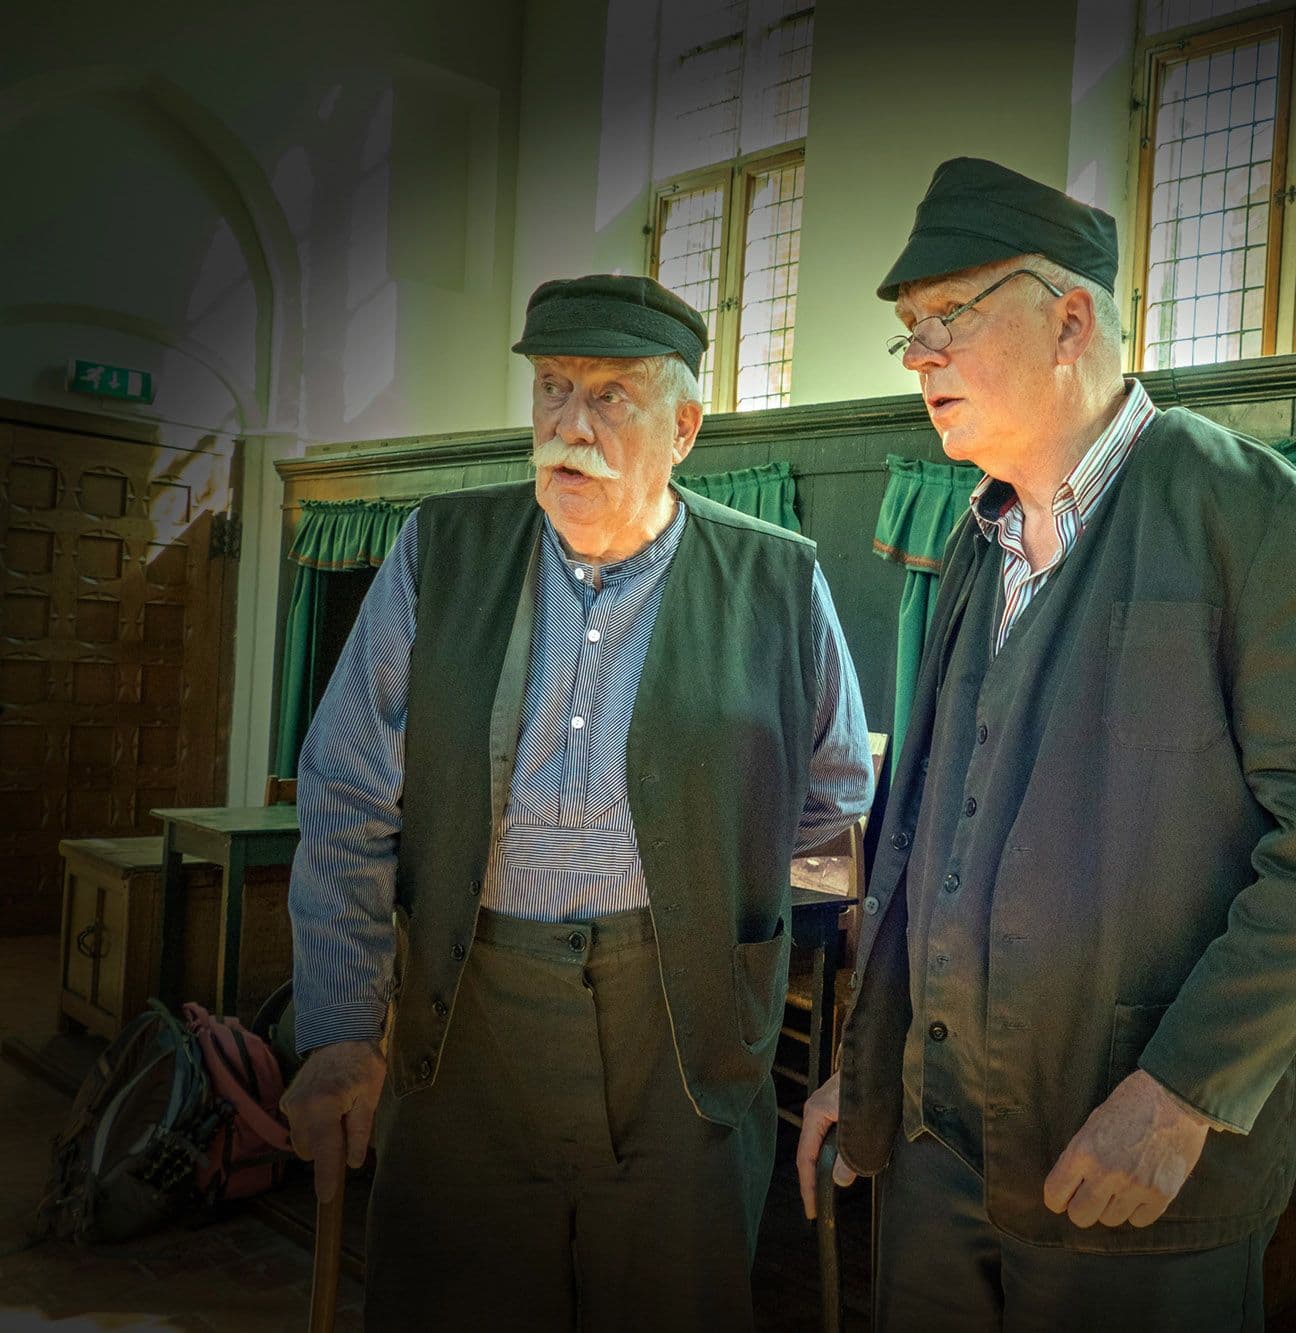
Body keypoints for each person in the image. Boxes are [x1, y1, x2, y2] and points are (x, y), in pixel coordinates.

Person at [796, 158, 1296, 1330]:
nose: (917, 357)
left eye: (944, 322)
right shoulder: (977, 539)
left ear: (1067, 318)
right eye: (906, 333)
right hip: (936, 1161)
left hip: (1119, 1163)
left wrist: (1182, 1091)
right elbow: (927, 838)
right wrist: (871, 1075)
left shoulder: (1252, 514)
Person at [281, 273, 873, 1331]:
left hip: (681, 1028)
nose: (570, 425)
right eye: (553, 389)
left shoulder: (777, 580)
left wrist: (695, 847)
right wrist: (336, 1026)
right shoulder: (442, 548)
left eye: (609, 397)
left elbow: (832, 794)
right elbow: (347, 793)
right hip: (462, 1015)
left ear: (683, 427)